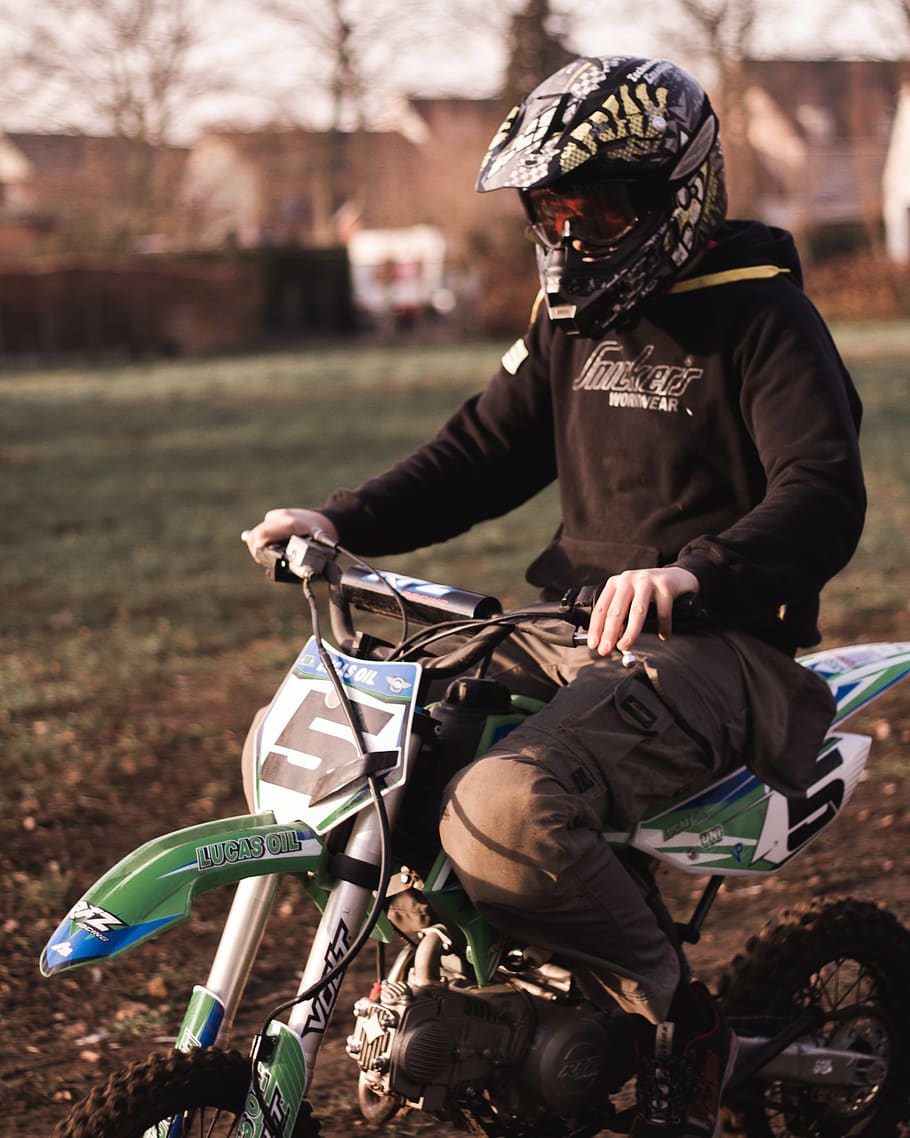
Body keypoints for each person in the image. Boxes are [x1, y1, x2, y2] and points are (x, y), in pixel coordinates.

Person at [244, 56, 865, 1138]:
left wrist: (696, 569)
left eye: (602, 207)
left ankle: (680, 1018)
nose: (576, 237)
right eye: (554, 212)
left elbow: (822, 493)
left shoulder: (763, 320)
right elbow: (480, 453)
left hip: (718, 646)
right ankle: (490, 998)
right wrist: (340, 519)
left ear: (680, 193)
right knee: (365, 750)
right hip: (568, 629)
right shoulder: (570, 318)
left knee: (501, 805)